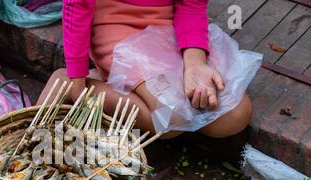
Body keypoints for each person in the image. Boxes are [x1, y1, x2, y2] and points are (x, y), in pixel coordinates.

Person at [37, 0, 253, 138]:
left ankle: (131, 89)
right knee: (172, 118)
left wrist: (195, 61)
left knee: (235, 116)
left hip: (170, 27)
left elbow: (191, 5)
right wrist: (77, 75)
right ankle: (72, 83)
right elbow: (77, 5)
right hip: (117, 27)